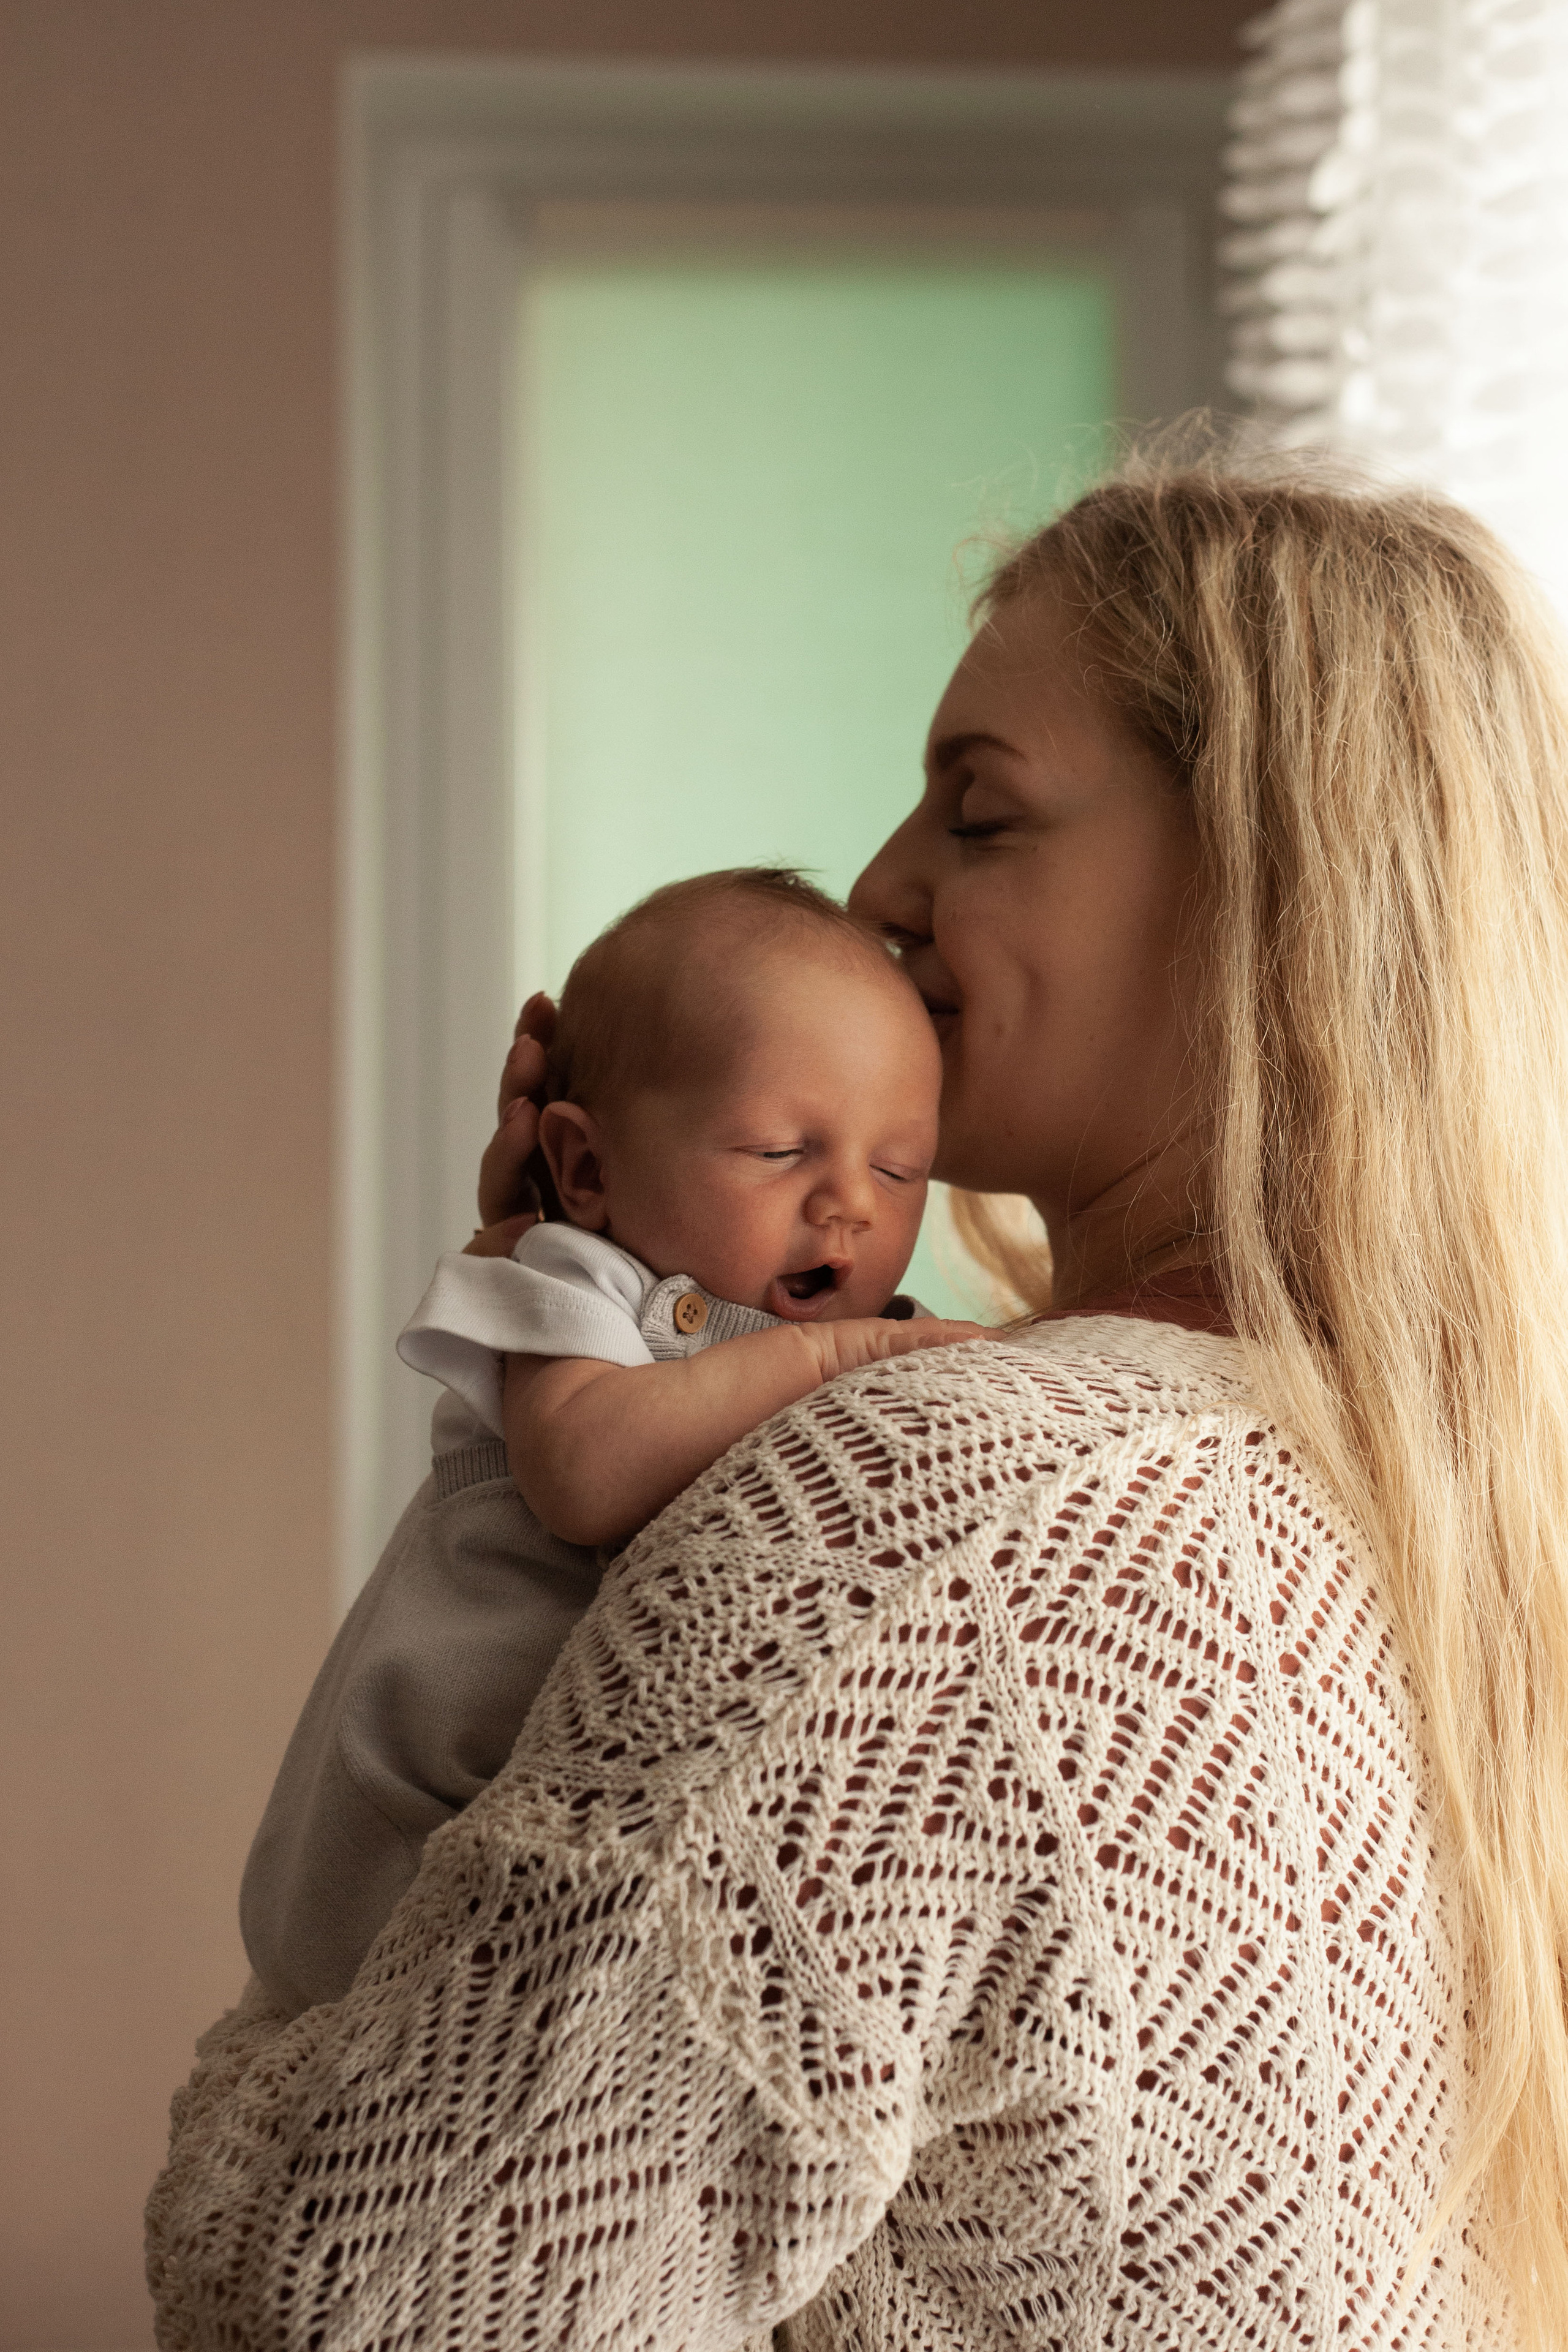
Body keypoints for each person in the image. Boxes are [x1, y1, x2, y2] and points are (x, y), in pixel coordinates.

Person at [146, 450, 1568, 2351]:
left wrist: (294, 2038)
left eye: (977, 818)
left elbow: (358, 2304)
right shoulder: (1448, 1503)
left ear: (1256, 876)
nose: (885, 884)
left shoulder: (952, 1496)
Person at [239, 867, 980, 2018]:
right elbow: (584, 1476)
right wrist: (822, 1365)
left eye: (897, 1168)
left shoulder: (857, 1328)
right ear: (586, 1168)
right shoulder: (578, 1282)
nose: (852, 1207)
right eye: (783, 1150)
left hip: (551, 1837)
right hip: (399, 1816)